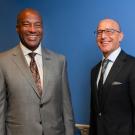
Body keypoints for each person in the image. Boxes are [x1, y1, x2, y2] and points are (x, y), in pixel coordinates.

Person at [0, 8, 75, 135]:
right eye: (26, 24)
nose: (32, 29)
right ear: (17, 28)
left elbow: (66, 108)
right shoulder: (3, 61)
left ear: (42, 29)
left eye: (37, 25)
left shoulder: (59, 61)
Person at [90, 18, 135, 135]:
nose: (103, 36)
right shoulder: (94, 71)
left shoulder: (132, 65)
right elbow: (95, 114)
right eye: (99, 32)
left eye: (109, 31)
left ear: (120, 36)